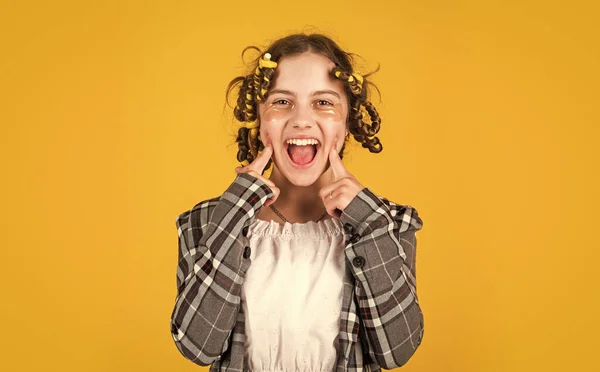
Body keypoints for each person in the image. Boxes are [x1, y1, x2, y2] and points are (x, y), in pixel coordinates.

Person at [170, 33, 424, 371]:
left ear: (347, 123)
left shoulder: (385, 224)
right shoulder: (207, 222)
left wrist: (367, 221)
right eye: (281, 101)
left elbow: (397, 351)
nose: (302, 119)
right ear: (260, 122)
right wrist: (235, 211)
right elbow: (197, 345)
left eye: (323, 102)